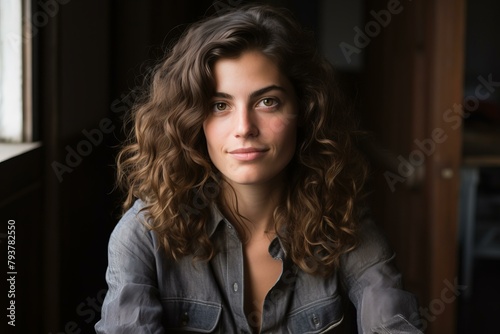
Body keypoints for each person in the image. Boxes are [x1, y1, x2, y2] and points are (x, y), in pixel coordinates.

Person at [95, 4, 423, 333]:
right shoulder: (142, 236)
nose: (244, 127)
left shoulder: (345, 224)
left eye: (267, 101)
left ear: (304, 111)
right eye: (219, 105)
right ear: (194, 121)